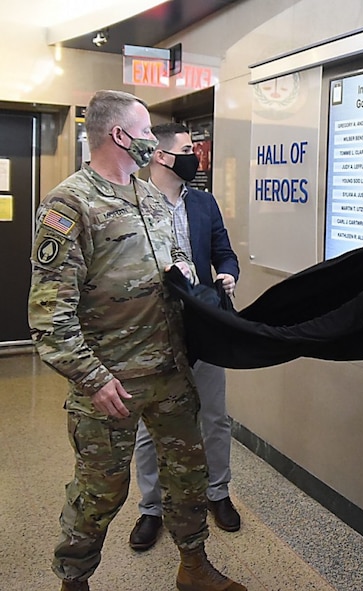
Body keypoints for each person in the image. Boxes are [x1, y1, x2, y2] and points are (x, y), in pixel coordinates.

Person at [28, 90, 246, 591]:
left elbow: (177, 268)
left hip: (169, 372)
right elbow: (48, 316)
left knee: (188, 476)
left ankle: (193, 567)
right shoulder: (69, 204)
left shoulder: (150, 198)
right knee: (99, 492)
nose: (153, 141)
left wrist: (201, 296)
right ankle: (74, 579)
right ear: (120, 135)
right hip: (111, 381)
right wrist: (93, 379)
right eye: (146, 131)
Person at [129, 123, 241, 551]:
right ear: (161, 156)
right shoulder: (131, 204)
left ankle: (218, 493)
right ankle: (151, 508)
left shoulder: (205, 203)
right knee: (150, 423)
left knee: (214, 414)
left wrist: (227, 272)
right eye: (188, 149)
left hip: (203, 325)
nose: (196, 156)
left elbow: (223, 252)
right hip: (153, 330)